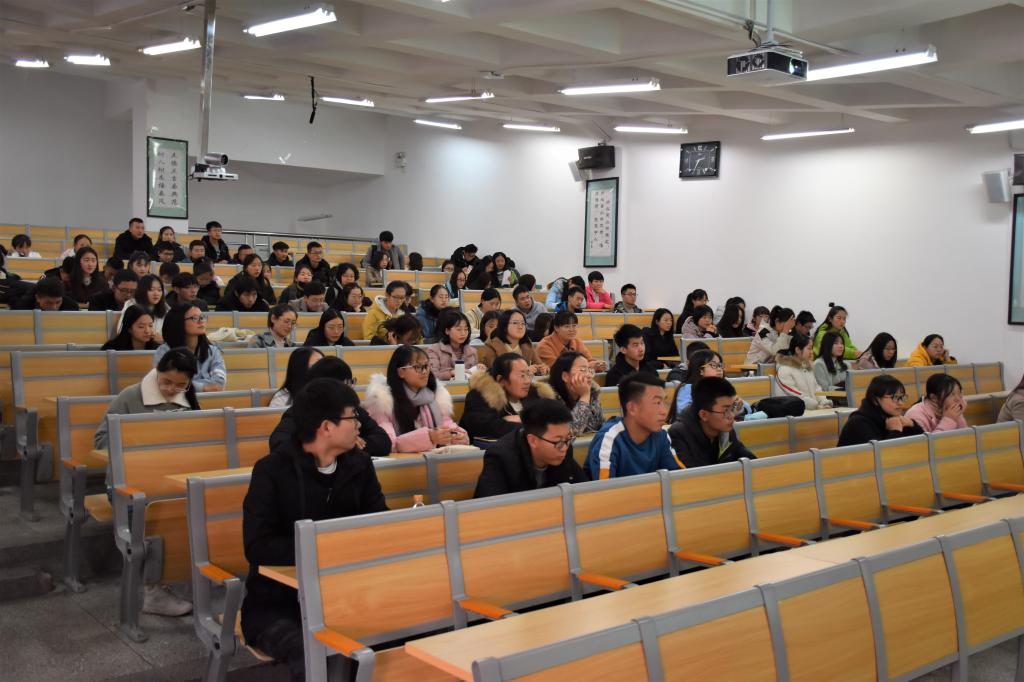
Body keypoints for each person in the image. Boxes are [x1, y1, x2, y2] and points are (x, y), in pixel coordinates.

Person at [241, 378, 387, 680]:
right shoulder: (272, 470)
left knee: (401, 636)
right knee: (313, 654)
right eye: (353, 417)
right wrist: (329, 549)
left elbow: (378, 525)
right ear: (326, 427)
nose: (359, 425)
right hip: (277, 604)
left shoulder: (359, 465)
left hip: (346, 596)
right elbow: (258, 545)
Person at [363, 345, 470, 453]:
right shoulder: (381, 401)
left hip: (430, 458)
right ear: (401, 372)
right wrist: (429, 437)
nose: (425, 371)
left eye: (427, 366)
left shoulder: (432, 396)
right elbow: (387, 443)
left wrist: (458, 436)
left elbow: (446, 425)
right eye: (418, 367)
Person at [473, 399, 589, 498]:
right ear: (533, 440)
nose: (564, 448)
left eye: (568, 438)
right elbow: (488, 508)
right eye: (558, 441)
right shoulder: (501, 457)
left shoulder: (564, 448)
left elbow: (585, 491)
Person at [585, 372, 681, 480]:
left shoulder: (661, 435)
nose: (664, 411)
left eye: (665, 402)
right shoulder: (609, 439)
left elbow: (679, 479)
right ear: (632, 408)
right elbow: (605, 488)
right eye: (657, 403)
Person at [460, 353, 557, 442]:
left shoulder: (534, 392)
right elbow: (486, 427)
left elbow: (554, 418)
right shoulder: (481, 396)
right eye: (522, 375)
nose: (527, 381)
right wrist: (530, 423)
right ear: (501, 380)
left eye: (528, 374)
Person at [668, 377, 757, 468]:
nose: (732, 416)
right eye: (725, 410)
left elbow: (751, 460)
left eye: (732, 409)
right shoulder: (678, 434)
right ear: (703, 415)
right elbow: (693, 474)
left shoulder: (726, 431)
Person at [154, 305, 226, 392]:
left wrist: (192, 385)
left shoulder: (213, 350)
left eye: (202, 317)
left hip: (209, 399)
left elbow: (219, 383)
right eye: (194, 318)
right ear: (179, 322)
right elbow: (169, 383)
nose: (201, 321)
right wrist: (203, 387)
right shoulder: (164, 351)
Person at [838, 375, 924, 447]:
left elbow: (924, 447)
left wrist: (913, 425)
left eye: (902, 397)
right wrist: (895, 431)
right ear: (875, 400)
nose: (901, 403)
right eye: (895, 397)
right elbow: (881, 457)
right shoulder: (858, 423)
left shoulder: (893, 417)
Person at [549, 352, 604, 434]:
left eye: (589, 370)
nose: (589, 375)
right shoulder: (549, 399)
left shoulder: (592, 393)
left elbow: (600, 427)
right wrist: (584, 396)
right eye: (583, 370)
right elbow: (571, 431)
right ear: (565, 376)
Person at [774, 334, 832, 410]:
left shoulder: (807, 368)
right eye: (809, 348)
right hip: (795, 412)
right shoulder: (784, 369)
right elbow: (793, 393)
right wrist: (816, 405)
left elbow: (816, 388)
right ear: (798, 350)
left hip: (813, 410)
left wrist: (824, 401)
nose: (812, 352)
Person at [536, 311, 607, 371]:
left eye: (574, 325)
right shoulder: (544, 345)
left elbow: (589, 360)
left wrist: (598, 365)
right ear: (556, 328)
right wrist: (587, 366)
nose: (571, 329)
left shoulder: (577, 341)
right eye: (567, 326)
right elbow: (558, 368)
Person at [426, 310, 482, 380]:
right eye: (459, 329)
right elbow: (431, 376)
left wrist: (478, 368)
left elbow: (473, 376)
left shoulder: (472, 351)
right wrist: (450, 373)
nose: (463, 333)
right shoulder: (434, 350)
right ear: (447, 331)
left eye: (466, 329)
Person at [117, 274, 168, 340]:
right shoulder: (132, 305)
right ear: (142, 291)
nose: (156, 293)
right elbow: (121, 330)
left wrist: (162, 340)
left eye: (159, 290)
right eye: (151, 290)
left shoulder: (166, 308)